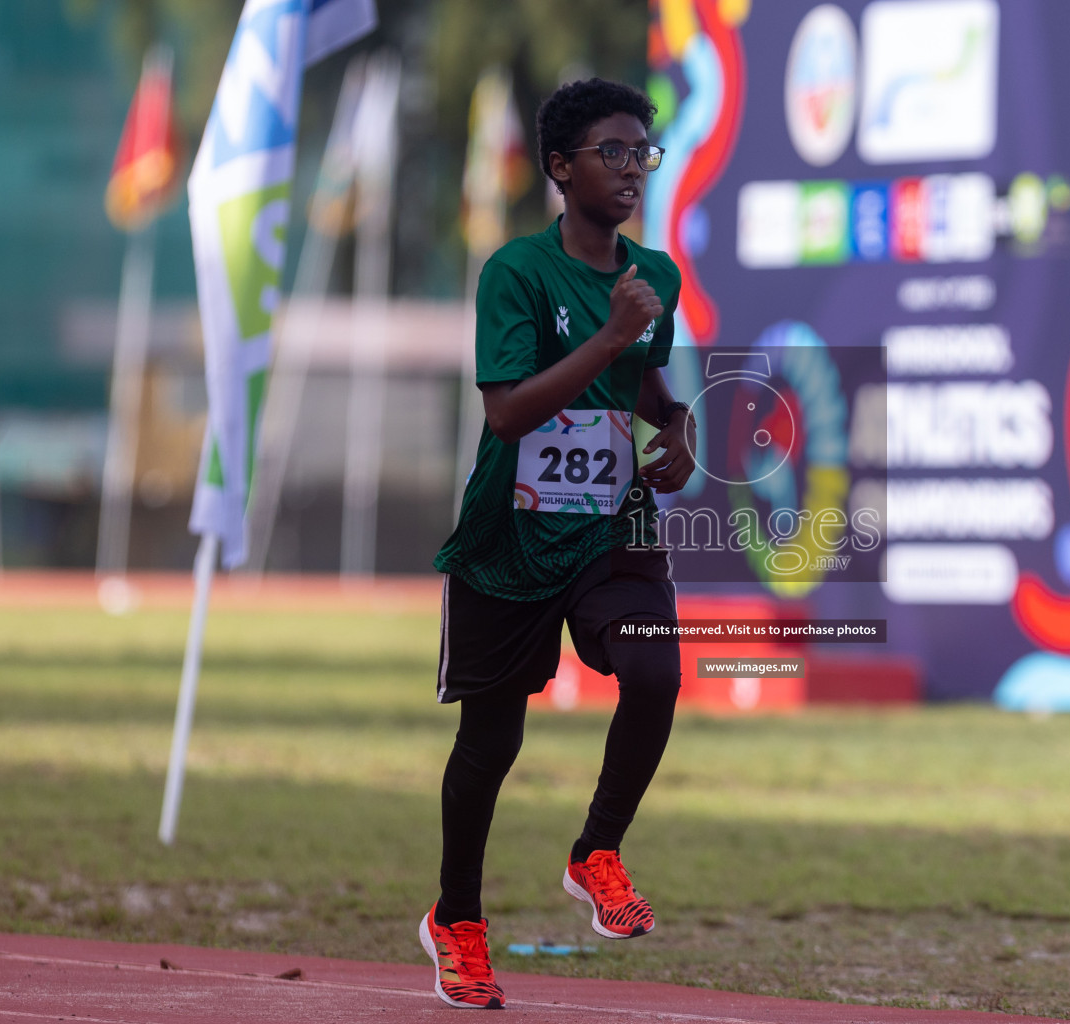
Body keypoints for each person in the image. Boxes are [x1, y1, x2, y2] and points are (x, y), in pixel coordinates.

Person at [417, 78, 694, 1010]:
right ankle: (456, 919)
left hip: (611, 523)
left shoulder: (654, 274)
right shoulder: (517, 274)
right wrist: (612, 335)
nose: (631, 171)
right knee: (491, 741)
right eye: (610, 153)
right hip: (512, 536)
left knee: (654, 671)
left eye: (641, 155)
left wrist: (677, 427)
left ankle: (597, 850)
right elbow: (507, 414)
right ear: (558, 167)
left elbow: (644, 384)